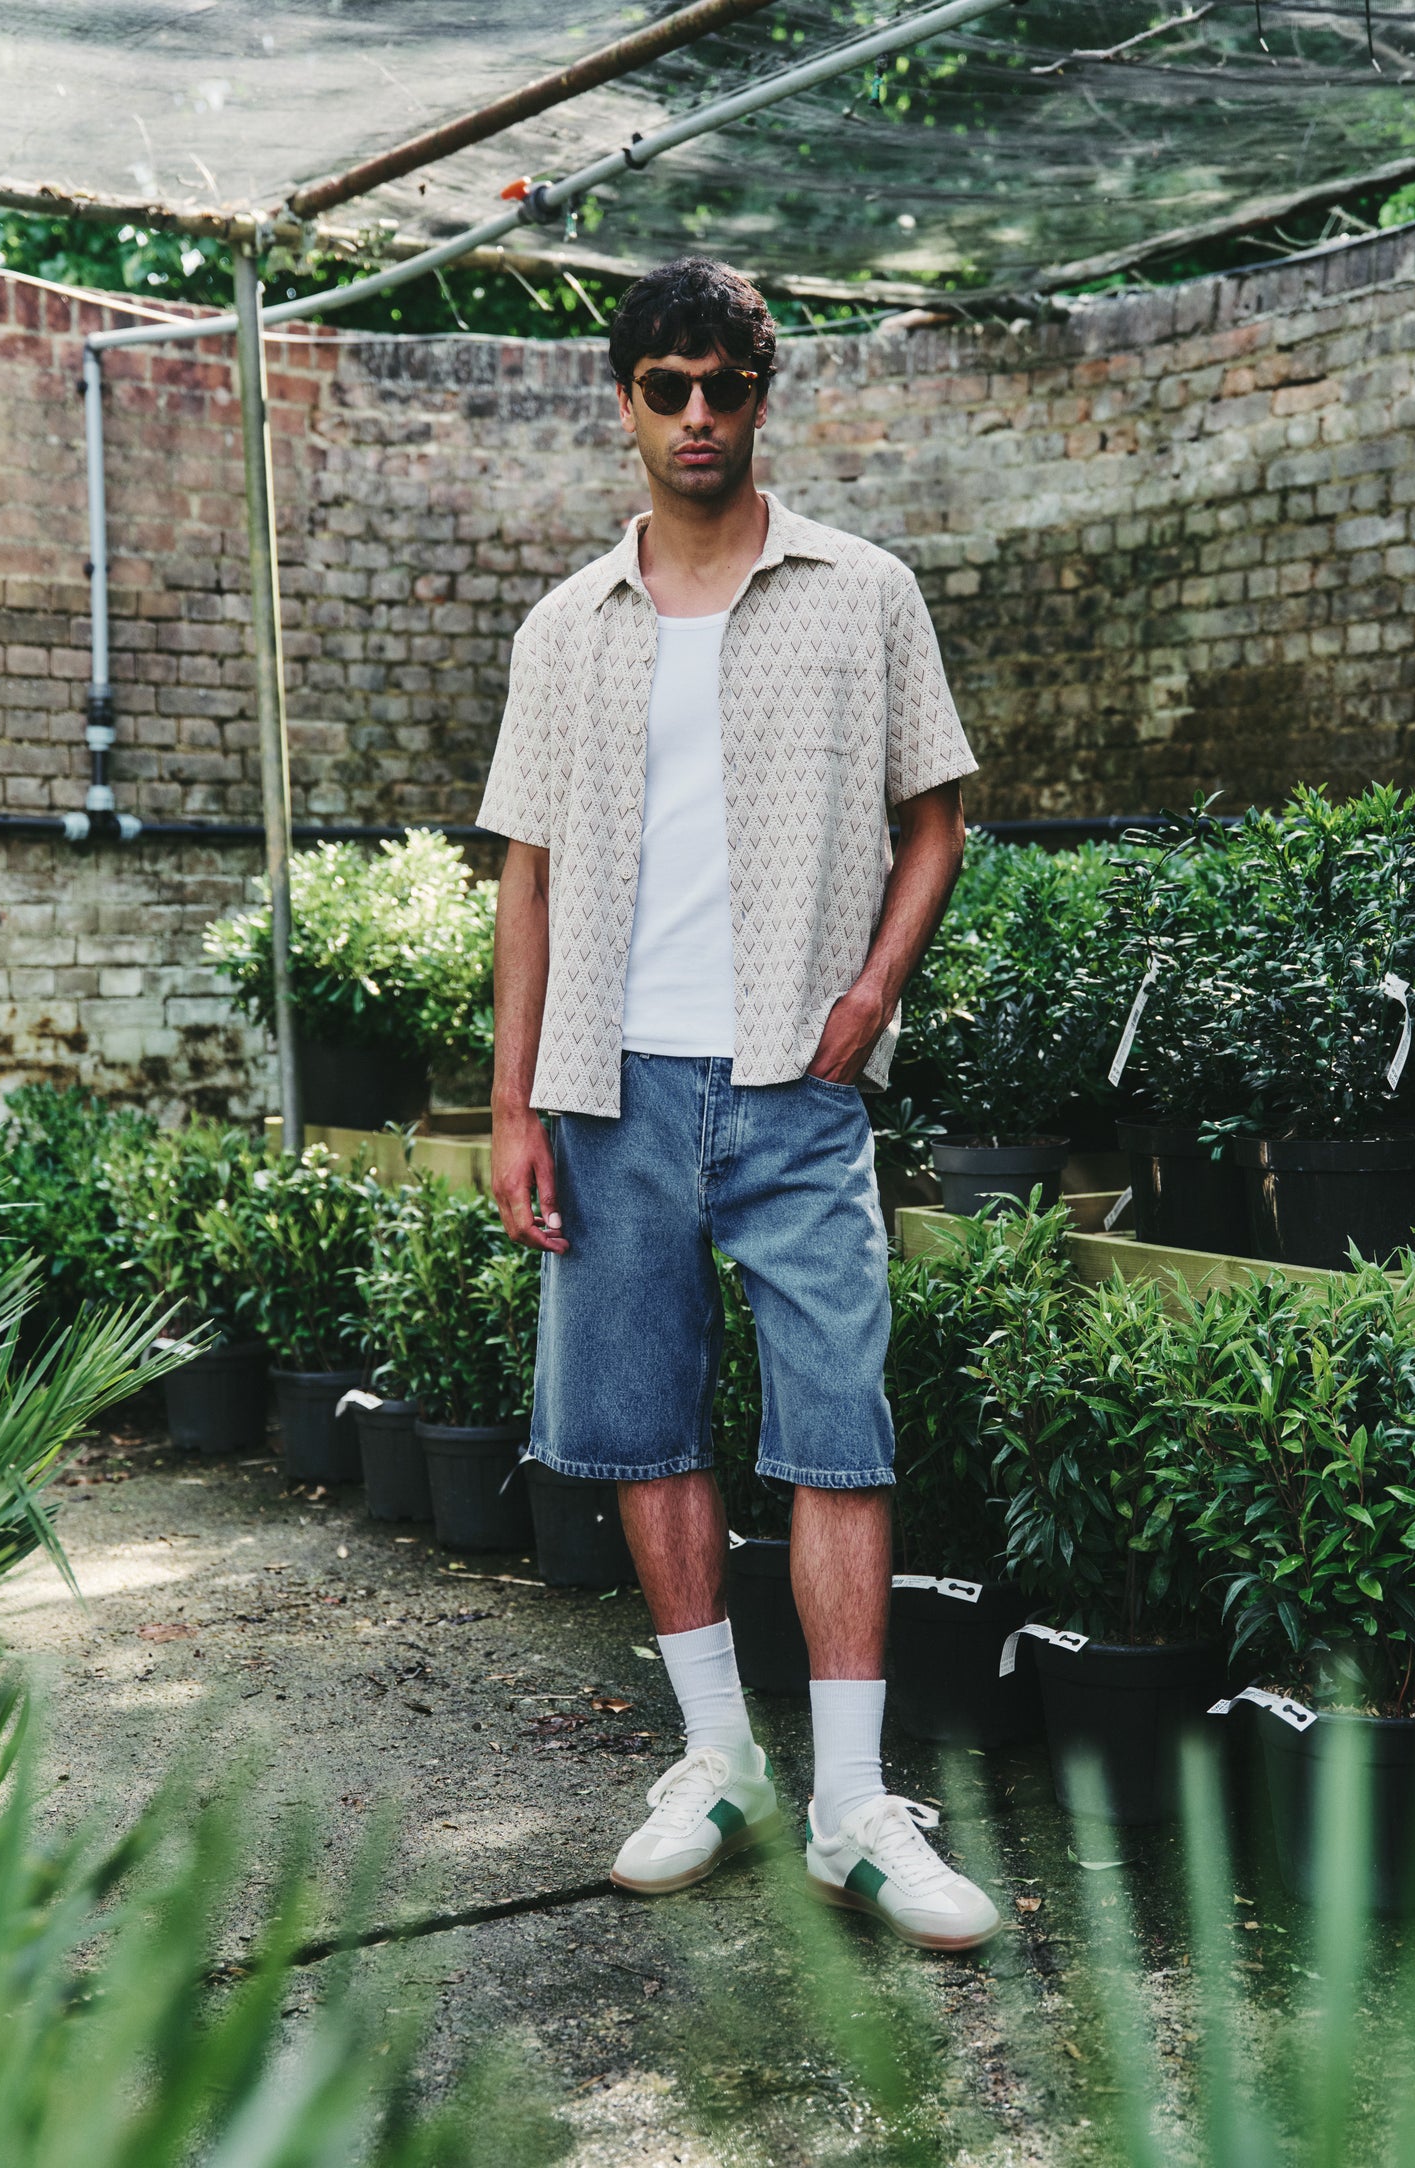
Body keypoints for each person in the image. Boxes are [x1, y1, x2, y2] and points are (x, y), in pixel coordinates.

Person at [479, 256, 998, 1952]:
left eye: (724, 386)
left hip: (796, 1075)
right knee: (643, 1425)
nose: (696, 416)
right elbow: (525, 877)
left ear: (761, 396)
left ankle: (852, 1804)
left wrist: (872, 994)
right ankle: (719, 1761)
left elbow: (935, 817)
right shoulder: (565, 627)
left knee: (836, 1426)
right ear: (624, 403)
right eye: (666, 388)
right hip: (607, 1081)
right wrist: (512, 1105)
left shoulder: (862, 593)